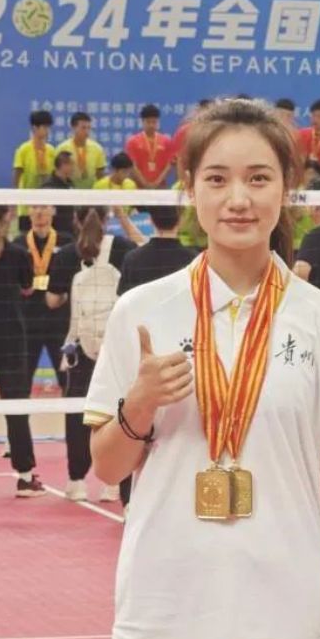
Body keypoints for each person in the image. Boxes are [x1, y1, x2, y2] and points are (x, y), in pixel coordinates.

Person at [84, 98, 320, 639]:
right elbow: (106, 465)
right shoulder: (142, 311)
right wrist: (139, 405)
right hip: (165, 614)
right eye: (217, 178)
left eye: (258, 178)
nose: (238, 198)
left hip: (285, 619)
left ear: (288, 187)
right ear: (190, 188)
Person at [46, 207, 135, 502]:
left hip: (80, 349)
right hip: (116, 345)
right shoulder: (124, 249)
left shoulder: (66, 255)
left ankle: (76, 481)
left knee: (78, 411)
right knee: (117, 411)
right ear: (107, 220)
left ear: (75, 220)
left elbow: (52, 300)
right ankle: (114, 483)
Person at [116, 205, 195, 512]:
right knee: (180, 427)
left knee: (134, 423)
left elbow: (122, 306)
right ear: (182, 218)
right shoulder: (193, 260)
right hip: (185, 354)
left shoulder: (134, 259)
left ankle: (128, 500)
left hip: (143, 353)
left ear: (150, 220)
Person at [0, 207, 43, 497]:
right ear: (6, 218)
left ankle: (26, 477)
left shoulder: (17, 252)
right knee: (16, 410)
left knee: (17, 409)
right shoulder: (17, 254)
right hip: (10, 340)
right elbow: (28, 289)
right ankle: (25, 478)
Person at [13, 205, 73, 392]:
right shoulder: (18, 244)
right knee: (21, 381)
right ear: (29, 212)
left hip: (60, 321)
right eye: (35, 207)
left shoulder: (67, 242)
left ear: (53, 210)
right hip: (27, 322)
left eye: (44, 207)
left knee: (67, 379)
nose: (39, 212)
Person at [13, 110, 56, 232]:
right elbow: (17, 174)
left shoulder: (51, 150)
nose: (47, 131)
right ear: (34, 128)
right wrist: (15, 197)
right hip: (27, 204)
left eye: (48, 127)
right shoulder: (23, 149)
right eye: (44, 127)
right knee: (25, 236)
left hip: (46, 203)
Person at [125, 104, 173, 190]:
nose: (151, 125)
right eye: (148, 122)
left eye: (154, 122)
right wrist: (144, 183)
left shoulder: (166, 141)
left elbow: (169, 165)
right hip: (138, 187)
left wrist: (157, 183)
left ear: (158, 122)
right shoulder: (133, 141)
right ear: (142, 122)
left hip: (160, 187)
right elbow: (132, 165)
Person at [56, 112, 106, 189]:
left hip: (92, 191)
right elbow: (58, 175)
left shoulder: (97, 148)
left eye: (89, 128)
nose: (87, 131)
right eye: (83, 128)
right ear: (73, 128)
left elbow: (100, 175)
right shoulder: (62, 148)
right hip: (69, 191)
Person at [41, 151, 76, 237]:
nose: (74, 167)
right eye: (71, 164)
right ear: (63, 165)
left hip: (70, 231)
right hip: (55, 232)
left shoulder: (70, 184)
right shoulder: (48, 186)